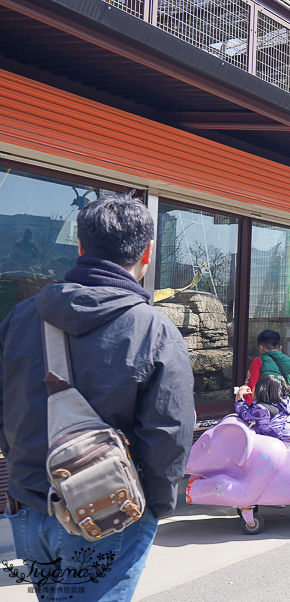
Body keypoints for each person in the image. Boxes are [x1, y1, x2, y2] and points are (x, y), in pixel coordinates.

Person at [0, 193, 195, 601]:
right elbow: (170, 433)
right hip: (109, 512)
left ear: (81, 247)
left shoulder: (20, 317)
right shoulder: (155, 331)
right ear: (147, 251)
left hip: (29, 507)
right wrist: (153, 507)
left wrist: (26, 473)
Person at [235, 374, 290, 444]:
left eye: (256, 386)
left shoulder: (262, 409)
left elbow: (244, 414)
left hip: (285, 445)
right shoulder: (282, 405)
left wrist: (239, 396)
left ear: (261, 390)